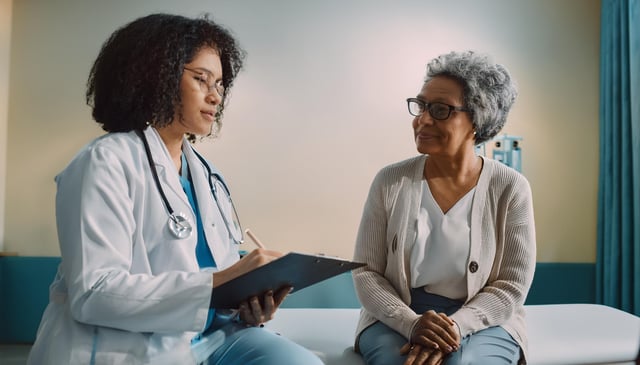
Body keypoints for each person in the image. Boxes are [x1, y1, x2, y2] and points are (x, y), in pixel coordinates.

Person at [27, 13, 322, 365]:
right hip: (135, 347)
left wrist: (250, 306)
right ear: (156, 76)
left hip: (217, 338)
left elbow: (219, 274)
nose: (216, 97)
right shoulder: (104, 162)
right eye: (202, 80)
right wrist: (221, 281)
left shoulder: (208, 176)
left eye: (221, 85)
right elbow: (94, 294)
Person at [352, 50, 536, 365]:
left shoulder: (510, 188)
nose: (422, 119)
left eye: (440, 110)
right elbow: (367, 272)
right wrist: (411, 323)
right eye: (421, 106)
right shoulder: (390, 181)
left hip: (486, 320)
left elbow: (511, 284)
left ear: (478, 120)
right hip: (398, 315)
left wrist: (454, 326)